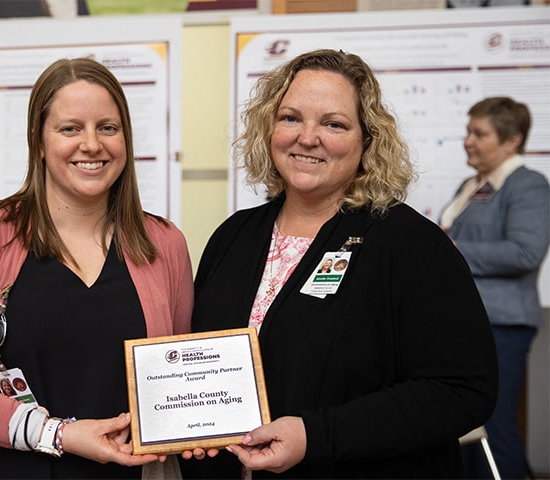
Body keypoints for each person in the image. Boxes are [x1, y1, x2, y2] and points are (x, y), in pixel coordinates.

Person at [182, 49, 498, 479]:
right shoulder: (233, 237)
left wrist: (317, 435)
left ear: (367, 140)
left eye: (334, 124)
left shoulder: (410, 245)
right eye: (291, 117)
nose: (307, 137)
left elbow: (461, 392)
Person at [0, 57, 194, 479]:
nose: (92, 144)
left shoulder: (163, 244)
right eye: (70, 128)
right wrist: (57, 434)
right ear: (39, 142)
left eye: (108, 128)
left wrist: (200, 425)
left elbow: (179, 381)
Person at [439, 97, 550, 480]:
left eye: (479, 133)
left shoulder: (528, 184)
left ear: (512, 140)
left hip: (501, 326)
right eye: (468, 131)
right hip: (466, 326)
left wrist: (451, 250)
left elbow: (526, 251)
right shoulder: (470, 185)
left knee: (495, 424)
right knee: (464, 426)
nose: (468, 141)